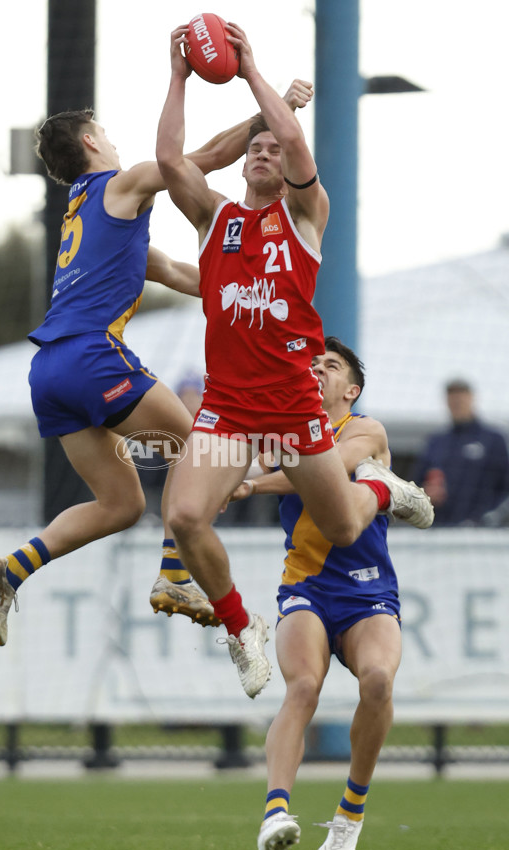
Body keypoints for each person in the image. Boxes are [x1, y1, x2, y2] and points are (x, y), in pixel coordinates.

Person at [155, 23, 433, 699]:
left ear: (289, 168)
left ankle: (381, 488)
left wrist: (254, 74)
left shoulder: (306, 218)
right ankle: (238, 627)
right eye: (254, 146)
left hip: (291, 410)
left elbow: (296, 141)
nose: (264, 151)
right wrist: (180, 75)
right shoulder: (216, 221)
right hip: (227, 410)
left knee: (341, 525)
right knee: (184, 519)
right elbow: (169, 163)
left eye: (275, 148)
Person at [0, 103, 273, 647]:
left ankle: (8, 572)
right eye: (105, 134)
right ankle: (177, 577)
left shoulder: (85, 214)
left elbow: (183, 274)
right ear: (89, 142)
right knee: (204, 451)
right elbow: (198, 161)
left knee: (123, 504)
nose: (113, 142)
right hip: (91, 357)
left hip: (49, 372)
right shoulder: (121, 184)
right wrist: (271, 115)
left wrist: (260, 284)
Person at [226, 337, 403, 850]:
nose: (318, 370)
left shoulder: (365, 431)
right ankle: (275, 814)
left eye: (331, 365)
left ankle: (349, 816)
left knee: (378, 682)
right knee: (302, 686)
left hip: (368, 589)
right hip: (306, 587)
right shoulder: (284, 434)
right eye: (313, 364)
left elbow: (325, 466)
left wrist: (253, 485)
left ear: (351, 389)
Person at [413, 378, 509, 526]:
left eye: (460, 397)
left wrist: (487, 519)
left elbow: (505, 489)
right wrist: (426, 495)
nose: (456, 403)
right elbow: (416, 485)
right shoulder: (436, 442)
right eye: (452, 398)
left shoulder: (493, 440)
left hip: (482, 534)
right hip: (440, 531)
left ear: (471, 398)